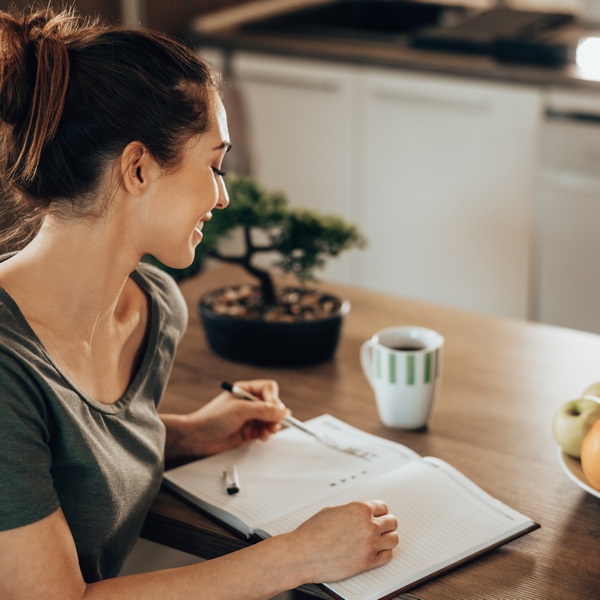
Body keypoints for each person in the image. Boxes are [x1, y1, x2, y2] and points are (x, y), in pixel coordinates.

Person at [0, 7, 399, 599]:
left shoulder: (153, 309)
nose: (224, 194)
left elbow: (63, 453)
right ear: (136, 168)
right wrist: (297, 556)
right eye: (213, 164)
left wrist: (184, 434)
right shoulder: (7, 369)